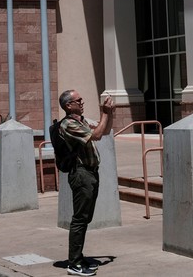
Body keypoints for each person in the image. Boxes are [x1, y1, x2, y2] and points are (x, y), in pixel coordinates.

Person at [57, 89, 115, 276]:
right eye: (78, 100)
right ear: (68, 105)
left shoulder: (81, 121)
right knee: (80, 219)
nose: (82, 102)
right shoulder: (68, 124)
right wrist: (104, 112)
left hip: (90, 173)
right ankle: (74, 263)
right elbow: (96, 135)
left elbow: (103, 130)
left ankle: (78, 257)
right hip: (81, 174)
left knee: (85, 218)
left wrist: (109, 113)